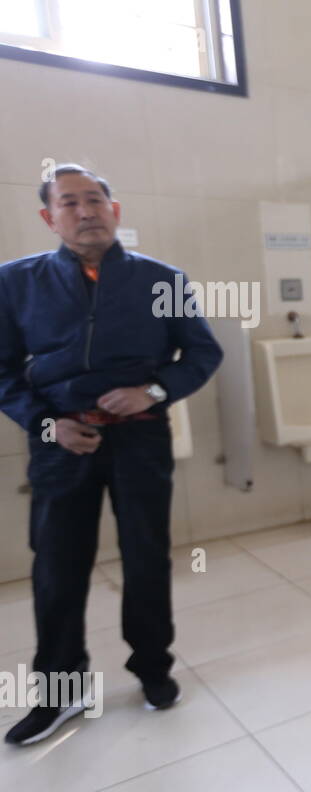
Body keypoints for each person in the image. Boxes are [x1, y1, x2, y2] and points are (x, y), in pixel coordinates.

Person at [0, 164, 223, 745]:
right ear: (50, 218)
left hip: (140, 438)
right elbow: (3, 374)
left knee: (147, 557)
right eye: (69, 202)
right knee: (56, 567)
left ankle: (153, 669)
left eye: (95, 199)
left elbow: (202, 354)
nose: (85, 210)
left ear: (115, 209)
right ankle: (60, 692)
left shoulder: (161, 279)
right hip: (60, 442)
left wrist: (153, 390)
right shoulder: (14, 283)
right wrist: (48, 427)